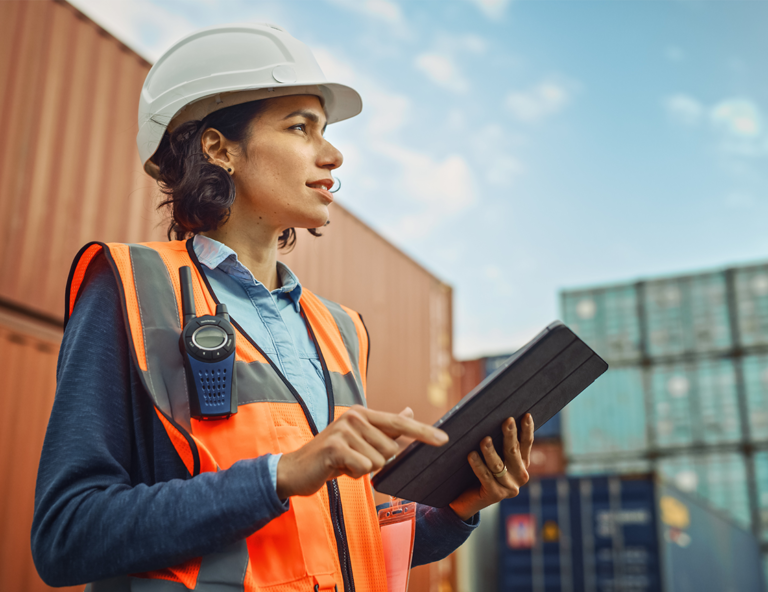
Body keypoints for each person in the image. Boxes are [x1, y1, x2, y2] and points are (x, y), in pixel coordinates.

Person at [31, 23, 534, 591]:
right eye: (302, 128)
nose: (335, 153)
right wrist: (281, 474)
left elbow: (332, 540)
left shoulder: (340, 329)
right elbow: (65, 534)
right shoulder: (130, 286)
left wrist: (455, 510)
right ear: (220, 148)